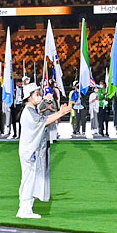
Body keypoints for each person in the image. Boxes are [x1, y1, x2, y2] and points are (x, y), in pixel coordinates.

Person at [16, 83, 70, 219]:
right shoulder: (28, 111)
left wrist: (59, 113)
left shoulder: (32, 110)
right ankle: (24, 210)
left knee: (30, 179)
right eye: (37, 94)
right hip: (30, 150)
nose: (39, 97)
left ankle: (26, 208)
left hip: (31, 149)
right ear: (29, 97)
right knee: (28, 180)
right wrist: (61, 113)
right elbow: (43, 121)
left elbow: (43, 120)